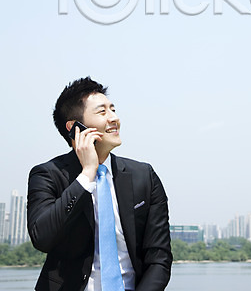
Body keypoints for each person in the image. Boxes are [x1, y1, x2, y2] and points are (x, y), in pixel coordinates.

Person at [27, 77, 172, 291]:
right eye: (102, 112)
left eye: (113, 109)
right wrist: (87, 175)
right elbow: (42, 238)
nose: (114, 118)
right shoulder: (48, 175)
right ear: (75, 128)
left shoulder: (144, 176)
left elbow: (159, 258)